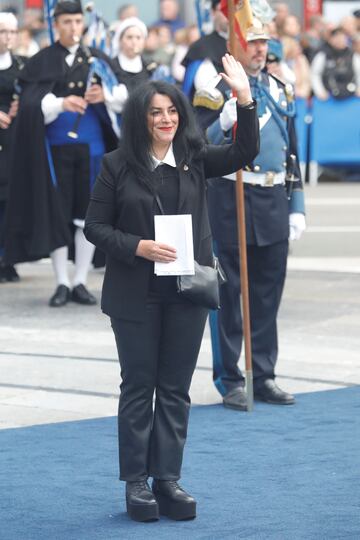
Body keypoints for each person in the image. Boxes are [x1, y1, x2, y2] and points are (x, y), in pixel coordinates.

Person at [84, 56, 259, 522]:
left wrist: (244, 97)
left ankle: (168, 480)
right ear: (141, 120)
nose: (166, 120)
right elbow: (95, 228)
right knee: (139, 387)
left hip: (187, 291)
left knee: (176, 390)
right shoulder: (116, 165)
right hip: (135, 295)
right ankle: (136, 484)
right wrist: (136, 245)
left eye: (173, 112)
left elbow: (245, 153)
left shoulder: (195, 160)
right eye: (156, 113)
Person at [195, 19, 306, 411]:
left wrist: (297, 205)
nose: (259, 50)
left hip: (272, 198)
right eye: (251, 42)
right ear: (234, 44)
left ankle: (264, 372)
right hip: (229, 196)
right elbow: (194, 143)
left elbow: (292, 153)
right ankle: (230, 379)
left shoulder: (281, 90)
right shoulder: (213, 89)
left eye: (263, 42)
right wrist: (220, 124)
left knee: (266, 293)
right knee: (227, 294)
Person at [4, 0, 127, 306]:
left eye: (77, 22)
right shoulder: (41, 61)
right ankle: (61, 282)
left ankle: (80, 281)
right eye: (67, 23)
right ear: (55, 24)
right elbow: (30, 104)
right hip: (54, 148)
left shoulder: (97, 58)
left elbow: (125, 94)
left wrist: (105, 95)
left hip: (93, 148)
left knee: (88, 214)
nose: (74, 28)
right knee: (56, 212)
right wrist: (61, 103)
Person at [0, 12, 24, 283]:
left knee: (10, 199)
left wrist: (22, 106)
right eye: (2, 31)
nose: (7, 37)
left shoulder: (20, 64)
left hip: (13, 137)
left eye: (11, 32)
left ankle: (8, 257)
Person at [182, 0, 228, 97]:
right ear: (213, 12)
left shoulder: (250, 44)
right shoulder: (201, 47)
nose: (230, 14)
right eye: (225, 9)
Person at [311, 26, 360, 100]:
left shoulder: (353, 55)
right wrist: (320, 91)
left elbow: (358, 73)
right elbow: (315, 74)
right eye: (336, 37)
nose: (339, 40)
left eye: (342, 37)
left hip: (351, 96)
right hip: (329, 98)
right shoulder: (323, 55)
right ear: (330, 40)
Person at [111, 17, 154, 94]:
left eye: (138, 38)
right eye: (129, 37)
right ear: (120, 41)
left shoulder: (150, 66)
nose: (134, 42)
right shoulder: (111, 66)